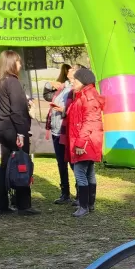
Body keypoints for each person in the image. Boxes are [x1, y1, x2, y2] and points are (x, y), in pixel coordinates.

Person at [0, 50, 37, 216]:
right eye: (18, 62)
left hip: (2, 128)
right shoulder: (12, 82)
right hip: (14, 129)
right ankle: (23, 204)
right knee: (22, 164)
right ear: (11, 63)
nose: (20, 65)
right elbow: (17, 111)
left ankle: (1, 204)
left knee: (5, 166)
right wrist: (21, 133)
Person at [66, 67, 103, 217]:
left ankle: (84, 206)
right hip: (88, 140)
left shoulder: (88, 98)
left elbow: (89, 122)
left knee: (80, 173)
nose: (72, 82)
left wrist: (80, 144)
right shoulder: (83, 95)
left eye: (75, 80)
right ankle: (90, 204)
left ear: (83, 81)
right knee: (89, 173)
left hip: (86, 141)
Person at [46, 64, 73, 205]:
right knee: (61, 164)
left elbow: (75, 110)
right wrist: (48, 84)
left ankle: (80, 193)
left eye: (74, 69)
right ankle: (65, 193)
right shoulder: (63, 87)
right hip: (56, 130)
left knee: (74, 164)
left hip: (67, 131)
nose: (70, 71)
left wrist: (63, 109)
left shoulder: (75, 90)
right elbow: (47, 96)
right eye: (70, 69)